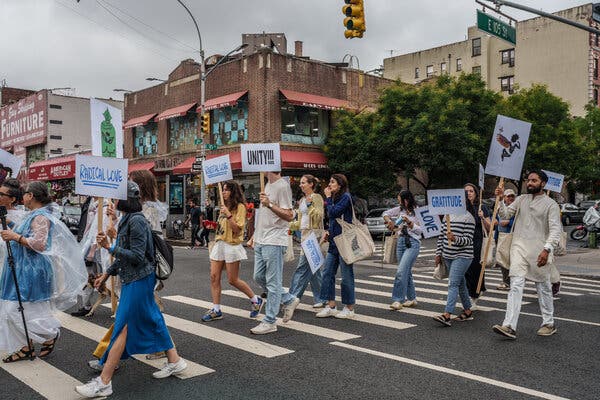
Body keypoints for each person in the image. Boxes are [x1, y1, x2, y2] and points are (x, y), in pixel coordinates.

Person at [75, 182, 187, 398]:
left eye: (115, 198)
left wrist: (110, 247)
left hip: (139, 279)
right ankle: (175, 361)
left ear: (124, 199)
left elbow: (136, 256)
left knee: (123, 327)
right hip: (133, 278)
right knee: (154, 318)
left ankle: (104, 382)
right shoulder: (127, 219)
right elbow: (125, 256)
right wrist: (106, 274)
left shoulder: (137, 221)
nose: (112, 203)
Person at [0, 181, 87, 362]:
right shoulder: (34, 215)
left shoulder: (41, 217)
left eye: (25, 194)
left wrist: (15, 236)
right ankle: (26, 347)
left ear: (31, 196)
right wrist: (10, 223)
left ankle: (49, 334)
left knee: (18, 310)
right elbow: (26, 229)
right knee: (19, 309)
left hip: (30, 270)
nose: (22, 197)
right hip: (21, 267)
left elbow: (40, 244)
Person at [492, 170, 562, 340]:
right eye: (528, 180)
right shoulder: (521, 199)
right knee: (515, 285)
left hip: (539, 251)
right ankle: (509, 326)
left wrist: (547, 249)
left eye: (534, 180)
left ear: (543, 183)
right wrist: (501, 200)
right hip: (519, 249)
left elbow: (555, 230)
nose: (529, 183)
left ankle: (548, 323)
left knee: (543, 287)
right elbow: (506, 215)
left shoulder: (551, 204)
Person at [201, 181, 264, 322]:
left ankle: (255, 300)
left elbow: (237, 229)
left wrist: (228, 214)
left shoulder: (240, 207)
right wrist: (212, 225)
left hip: (232, 245)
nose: (223, 192)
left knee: (232, 280)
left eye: (226, 190)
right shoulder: (224, 207)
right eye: (222, 190)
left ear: (233, 192)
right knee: (213, 277)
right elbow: (223, 228)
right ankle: (216, 309)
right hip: (220, 243)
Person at [248, 171, 293, 334]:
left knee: (273, 283)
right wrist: (254, 236)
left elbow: (289, 215)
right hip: (261, 239)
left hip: (274, 240)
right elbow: (264, 217)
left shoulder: (282, 186)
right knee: (258, 276)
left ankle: (270, 321)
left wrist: (270, 204)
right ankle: (288, 299)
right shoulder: (266, 184)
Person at [280, 175, 326, 323]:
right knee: (314, 269)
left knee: (302, 267)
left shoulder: (316, 197)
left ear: (311, 184)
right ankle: (321, 297)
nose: (301, 185)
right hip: (305, 235)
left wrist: (310, 205)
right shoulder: (301, 200)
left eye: (304, 183)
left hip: (314, 236)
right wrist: (288, 226)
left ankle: (292, 297)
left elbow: (319, 217)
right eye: (300, 183)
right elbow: (300, 221)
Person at [316, 174, 357, 319]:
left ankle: (349, 307)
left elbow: (333, 212)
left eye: (332, 182)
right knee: (327, 273)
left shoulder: (346, 197)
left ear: (340, 185)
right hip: (334, 242)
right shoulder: (334, 198)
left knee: (346, 276)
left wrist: (327, 198)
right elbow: (331, 219)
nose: (329, 184)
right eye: (329, 181)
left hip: (344, 242)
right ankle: (330, 305)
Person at [433, 199, 476, 326]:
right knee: (460, 284)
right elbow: (441, 236)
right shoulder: (448, 215)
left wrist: (455, 238)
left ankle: (447, 314)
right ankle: (467, 311)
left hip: (463, 256)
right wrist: (438, 253)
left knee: (453, 283)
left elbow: (468, 240)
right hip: (447, 255)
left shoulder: (469, 218)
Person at [382, 190, 422, 310]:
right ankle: (411, 298)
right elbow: (385, 213)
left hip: (413, 242)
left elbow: (421, 231)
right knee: (406, 271)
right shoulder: (400, 210)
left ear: (406, 200)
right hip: (400, 241)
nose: (399, 202)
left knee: (400, 271)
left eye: (400, 200)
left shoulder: (418, 211)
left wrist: (409, 223)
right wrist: (389, 221)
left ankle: (397, 300)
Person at [463, 183, 492, 306]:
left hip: (477, 241)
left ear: (475, 193)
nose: (468, 193)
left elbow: (490, 227)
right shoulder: (461, 207)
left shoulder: (481, 207)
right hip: (463, 241)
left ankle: (474, 295)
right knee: (465, 270)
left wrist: (483, 218)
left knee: (475, 268)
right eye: (466, 191)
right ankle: (473, 291)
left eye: (471, 191)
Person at [495, 189, 516, 290]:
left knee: (511, 260)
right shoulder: (500, 207)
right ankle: (506, 281)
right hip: (501, 237)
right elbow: (496, 221)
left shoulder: (516, 209)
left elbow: (519, 223)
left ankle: (511, 282)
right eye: (508, 196)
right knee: (502, 260)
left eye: (512, 196)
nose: (511, 198)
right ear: (504, 198)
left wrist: (509, 222)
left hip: (512, 238)